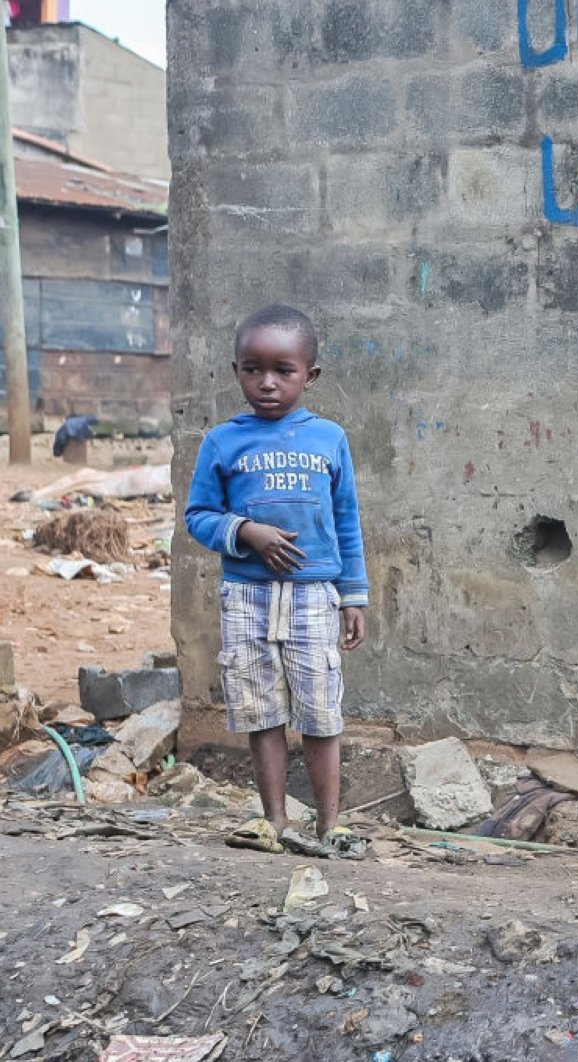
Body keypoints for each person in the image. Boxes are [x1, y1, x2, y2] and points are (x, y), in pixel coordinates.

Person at [184, 304, 368, 859]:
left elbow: (347, 522)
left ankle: (330, 823)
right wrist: (246, 532)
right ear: (235, 369)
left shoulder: (330, 439)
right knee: (260, 709)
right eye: (252, 369)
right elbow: (198, 515)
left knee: (319, 710)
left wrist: (353, 595)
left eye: (283, 370)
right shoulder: (221, 441)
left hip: (315, 593)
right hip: (246, 595)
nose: (266, 383)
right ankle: (274, 821)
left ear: (310, 375)